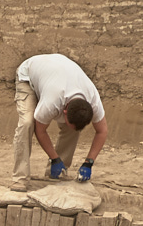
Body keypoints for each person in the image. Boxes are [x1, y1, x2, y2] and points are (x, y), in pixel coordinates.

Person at [12, 53, 108, 191]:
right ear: (64, 111)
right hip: (28, 75)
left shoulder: (93, 99)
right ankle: (20, 178)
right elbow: (40, 130)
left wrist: (89, 162)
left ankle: (57, 174)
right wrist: (54, 158)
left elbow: (102, 131)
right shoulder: (52, 102)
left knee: (72, 128)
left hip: (55, 72)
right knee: (27, 123)